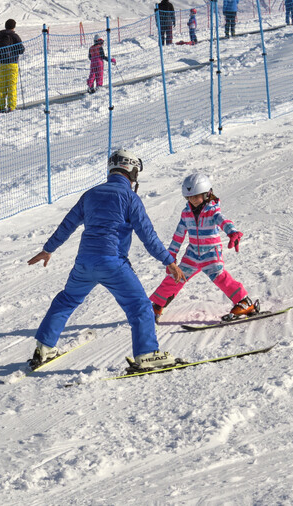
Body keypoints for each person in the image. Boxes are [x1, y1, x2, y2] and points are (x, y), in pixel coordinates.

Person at [27, 150, 184, 371]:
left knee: (66, 300)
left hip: (84, 263)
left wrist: (48, 249)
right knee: (139, 306)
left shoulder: (90, 194)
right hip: (113, 263)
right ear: (132, 171)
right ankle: (147, 354)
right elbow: (148, 235)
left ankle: (44, 348)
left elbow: (67, 224)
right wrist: (169, 261)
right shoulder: (130, 197)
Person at [148, 173, 256, 323]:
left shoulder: (213, 211)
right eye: (189, 197)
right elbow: (179, 234)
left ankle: (245, 302)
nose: (192, 200)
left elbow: (223, 221)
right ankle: (157, 306)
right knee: (176, 276)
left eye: (196, 196)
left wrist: (232, 232)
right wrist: (171, 254)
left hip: (211, 252)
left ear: (207, 194)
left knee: (220, 277)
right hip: (192, 254)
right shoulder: (186, 213)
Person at [0, 19, 25, 113]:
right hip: (12, 63)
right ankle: (11, 106)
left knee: (2, 85)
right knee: (12, 86)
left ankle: (0, 107)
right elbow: (21, 50)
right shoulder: (14, 36)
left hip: (1, 64)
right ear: (14, 26)